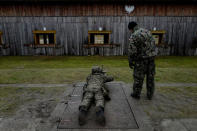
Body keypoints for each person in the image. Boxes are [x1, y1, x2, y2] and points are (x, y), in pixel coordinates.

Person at [128, 21, 157, 100]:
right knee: (150, 77)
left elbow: (132, 51)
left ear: (131, 29)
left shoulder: (134, 35)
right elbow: (154, 44)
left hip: (141, 60)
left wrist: (131, 61)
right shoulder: (148, 31)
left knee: (138, 77)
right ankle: (150, 95)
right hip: (151, 59)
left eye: (130, 30)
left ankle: (136, 94)